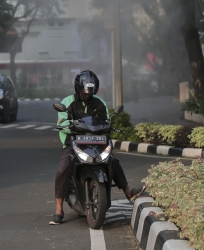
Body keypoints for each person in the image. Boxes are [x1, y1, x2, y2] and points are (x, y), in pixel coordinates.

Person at [49, 70, 145, 225]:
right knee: (63, 169)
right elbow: (61, 124)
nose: (86, 95)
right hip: (73, 141)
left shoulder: (100, 102)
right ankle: (58, 209)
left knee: (112, 161)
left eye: (89, 92)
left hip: (96, 141)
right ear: (77, 89)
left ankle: (128, 192)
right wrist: (72, 126)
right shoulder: (67, 102)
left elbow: (106, 120)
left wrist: (109, 126)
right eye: (83, 92)